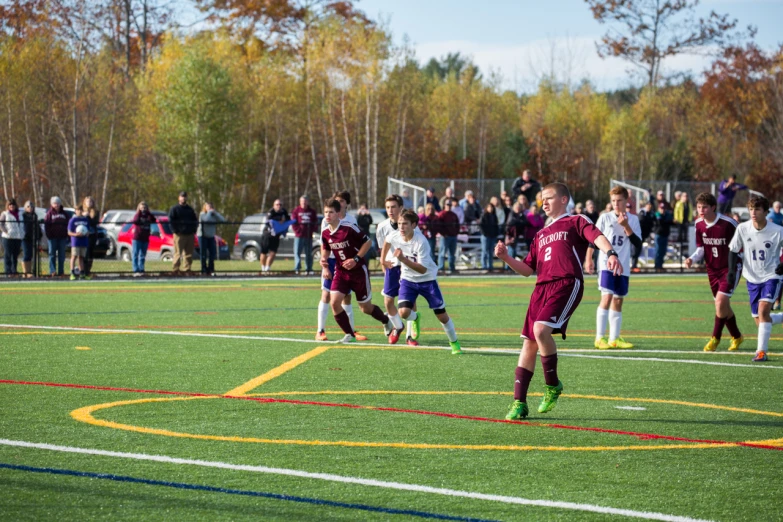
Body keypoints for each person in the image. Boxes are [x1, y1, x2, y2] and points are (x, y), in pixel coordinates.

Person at [495, 182, 621, 420]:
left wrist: (611, 253)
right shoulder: (540, 234)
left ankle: (552, 385)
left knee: (540, 329)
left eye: (549, 198)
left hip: (566, 283)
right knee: (529, 343)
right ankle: (519, 402)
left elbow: (598, 237)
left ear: (563, 200)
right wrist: (505, 257)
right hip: (540, 289)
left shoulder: (575, 220)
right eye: (542, 199)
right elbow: (527, 270)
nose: (544, 203)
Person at [388, 209, 462, 353]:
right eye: (399, 224)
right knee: (403, 312)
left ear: (414, 225)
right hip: (408, 280)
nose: (401, 227)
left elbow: (422, 269)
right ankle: (415, 318)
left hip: (427, 280)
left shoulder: (421, 242)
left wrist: (402, 259)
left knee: (442, 316)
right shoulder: (395, 236)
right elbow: (387, 241)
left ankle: (454, 342)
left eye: (405, 224)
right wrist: (384, 260)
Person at [320, 198, 390, 343]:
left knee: (365, 308)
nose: (327, 215)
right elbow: (326, 248)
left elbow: (368, 242)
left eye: (331, 212)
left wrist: (356, 259)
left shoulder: (349, 227)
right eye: (326, 212)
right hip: (340, 272)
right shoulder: (325, 232)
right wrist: (325, 264)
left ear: (338, 213)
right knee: (334, 302)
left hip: (358, 272)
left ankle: (385, 320)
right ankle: (349, 334)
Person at [684, 193, 744, 352]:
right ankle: (737, 337)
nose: (701, 210)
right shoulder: (698, 223)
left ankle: (715, 338)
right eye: (698, 207)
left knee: (720, 302)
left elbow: (743, 241)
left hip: (730, 268)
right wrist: (692, 259)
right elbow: (701, 249)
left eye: (704, 207)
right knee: (723, 306)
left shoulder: (728, 223)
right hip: (712, 270)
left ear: (713, 207)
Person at [585, 186, 642, 350]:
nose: (616, 204)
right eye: (613, 201)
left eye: (619, 201)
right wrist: (589, 259)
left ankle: (614, 339)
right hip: (606, 264)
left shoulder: (633, 219)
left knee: (618, 299)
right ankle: (599, 338)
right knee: (607, 297)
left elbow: (637, 244)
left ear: (626, 201)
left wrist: (626, 226)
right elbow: (593, 240)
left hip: (623, 265)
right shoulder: (604, 218)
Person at [727, 195, 783, 362]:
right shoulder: (743, 228)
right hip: (751, 278)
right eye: (751, 209)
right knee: (760, 320)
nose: (753, 212)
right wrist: (731, 271)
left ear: (766, 212)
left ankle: (761, 352)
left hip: (772, 275)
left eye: (757, 209)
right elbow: (733, 250)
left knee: (763, 310)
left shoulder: (778, 230)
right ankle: (780, 318)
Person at [316, 191, 367, 342]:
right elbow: (323, 244)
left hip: (347, 262)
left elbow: (358, 241)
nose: (339, 203)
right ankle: (320, 330)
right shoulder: (327, 220)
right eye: (336, 200)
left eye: (342, 201)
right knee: (326, 295)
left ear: (346, 204)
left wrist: (355, 259)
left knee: (347, 296)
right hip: (332, 261)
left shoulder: (351, 220)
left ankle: (351, 331)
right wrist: (324, 265)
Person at [376, 195, 408, 344]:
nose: (390, 210)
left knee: (409, 304)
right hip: (391, 268)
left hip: (407, 267)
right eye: (388, 207)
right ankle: (398, 326)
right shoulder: (382, 227)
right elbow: (382, 249)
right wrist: (384, 267)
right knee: (388, 302)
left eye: (393, 207)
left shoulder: (410, 224)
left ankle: (410, 336)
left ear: (400, 208)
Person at [169, 191, 198, 275]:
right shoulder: (174, 209)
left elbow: (195, 220)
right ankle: (175, 270)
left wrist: (193, 230)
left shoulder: (190, 209)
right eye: (182, 196)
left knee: (189, 254)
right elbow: (170, 220)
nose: (183, 198)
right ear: (179, 198)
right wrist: (175, 231)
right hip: (179, 235)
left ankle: (187, 269)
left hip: (189, 234)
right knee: (178, 253)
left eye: (185, 196)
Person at [260, 199, 290, 273]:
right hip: (268, 234)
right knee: (264, 252)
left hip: (276, 235)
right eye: (277, 204)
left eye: (280, 204)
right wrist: (280, 222)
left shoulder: (284, 212)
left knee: (273, 252)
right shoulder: (271, 212)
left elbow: (288, 220)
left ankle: (267, 268)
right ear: (274, 205)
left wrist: (284, 230)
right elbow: (269, 222)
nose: (279, 206)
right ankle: (262, 267)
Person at [198, 202, 226, 276]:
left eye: (211, 207)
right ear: (205, 207)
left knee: (212, 253)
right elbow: (206, 220)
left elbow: (223, 220)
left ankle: (211, 269)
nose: (209, 208)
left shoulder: (213, 215)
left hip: (211, 236)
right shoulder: (202, 214)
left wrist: (216, 213)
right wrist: (209, 213)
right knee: (203, 253)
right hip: (202, 236)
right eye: (208, 207)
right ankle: (203, 269)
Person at [291, 195, 317, 275]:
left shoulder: (312, 211)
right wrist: (298, 231)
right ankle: (297, 268)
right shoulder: (296, 211)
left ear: (308, 202)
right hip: (299, 236)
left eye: (305, 201)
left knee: (308, 253)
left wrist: (311, 230)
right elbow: (293, 223)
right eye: (302, 201)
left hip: (308, 236)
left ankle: (309, 268)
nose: (304, 203)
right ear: (300, 202)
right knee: (297, 252)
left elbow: (315, 223)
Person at [131, 201, 157, 276]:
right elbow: (135, 221)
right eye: (142, 207)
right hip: (137, 238)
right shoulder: (137, 215)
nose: (143, 209)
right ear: (139, 208)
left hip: (145, 238)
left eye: (145, 207)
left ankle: (141, 269)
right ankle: (135, 270)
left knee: (142, 255)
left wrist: (148, 213)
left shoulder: (148, 215)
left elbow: (154, 220)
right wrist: (139, 212)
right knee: (135, 254)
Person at [44, 196, 69, 276]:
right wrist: (49, 235)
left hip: (62, 238)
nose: (57, 205)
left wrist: (66, 234)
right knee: (52, 255)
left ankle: (61, 272)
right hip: (52, 238)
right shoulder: (49, 214)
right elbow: (46, 225)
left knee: (62, 255)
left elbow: (68, 224)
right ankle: (52, 271)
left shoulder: (64, 214)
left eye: (58, 203)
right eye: (55, 203)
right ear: (52, 204)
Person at [1, 198, 24, 276]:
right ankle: (8, 271)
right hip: (8, 238)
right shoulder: (5, 213)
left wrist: (23, 232)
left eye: (13, 204)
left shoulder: (20, 213)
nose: (12, 206)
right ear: (8, 205)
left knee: (15, 255)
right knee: (8, 254)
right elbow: (1, 224)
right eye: (10, 204)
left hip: (17, 237)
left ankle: (14, 271)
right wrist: (6, 231)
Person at [67, 205, 90, 280]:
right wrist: (76, 234)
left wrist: (87, 233)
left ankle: (82, 273)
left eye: (81, 210)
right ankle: (72, 273)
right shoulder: (73, 220)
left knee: (81, 257)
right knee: (74, 256)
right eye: (78, 210)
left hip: (83, 241)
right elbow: (69, 232)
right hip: (76, 241)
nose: (79, 211)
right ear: (75, 211)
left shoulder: (85, 220)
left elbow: (88, 230)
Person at [436, 200, 459, 274]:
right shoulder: (441, 214)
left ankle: (451, 268)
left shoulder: (453, 215)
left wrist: (455, 233)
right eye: (447, 205)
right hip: (445, 237)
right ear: (444, 205)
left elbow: (457, 225)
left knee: (452, 254)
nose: (448, 206)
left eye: (450, 205)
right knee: (442, 253)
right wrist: (443, 234)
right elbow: (438, 225)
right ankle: (441, 268)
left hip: (453, 236)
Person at [503, 202, 527, 271]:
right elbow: (512, 222)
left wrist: (519, 221)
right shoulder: (512, 214)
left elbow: (525, 222)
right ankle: (508, 268)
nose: (518, 208)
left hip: (516, 235)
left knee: (513, 251)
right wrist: (519, 221)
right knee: (511, 251)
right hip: (510, 235)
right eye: (517, 207)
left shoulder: (521, 215)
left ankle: (511, 267)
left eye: (519, 207)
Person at [21, 201, 41, 278]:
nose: (30, 208)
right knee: (26, 254)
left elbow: (37, 227)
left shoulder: (34, 216)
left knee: (31, 255)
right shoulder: (23, 216)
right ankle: (25, 272)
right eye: (28, 206)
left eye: (32, 207)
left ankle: (29, 272)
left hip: (33, 238)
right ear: (25, 208)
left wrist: (39, 235)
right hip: (25, 238)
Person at [82, 196, 100, 278]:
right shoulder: (82, 211)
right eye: (87, 202)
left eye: (91, 202)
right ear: (85, 203)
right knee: (83, 253)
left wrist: (88, 216)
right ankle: (82, 270)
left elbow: (94, 222)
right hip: (83, 235)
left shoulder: (95, 212)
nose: (89, 203)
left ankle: (88, 271)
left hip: (92, 235)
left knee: (90, 253)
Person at [653, 202, 673, 270]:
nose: (662, 210)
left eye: (664, 208)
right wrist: (667, 221)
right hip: (659, 235)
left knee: (663, 251)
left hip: (665, 235)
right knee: (658, 251)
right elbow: (660, 222)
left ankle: (660, 265)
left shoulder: (667, 214)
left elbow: (671, 222)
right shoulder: (657, 214)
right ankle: (657, 266)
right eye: (661, 208)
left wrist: (667, 221)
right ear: (659, 208)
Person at [634, 201, 655, 268]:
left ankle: (634, 265)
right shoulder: (642, 212)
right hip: (638, 234)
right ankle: (634, 265)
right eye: (648, 205)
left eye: (650, 206)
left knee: (638, 250)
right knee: (635, 250)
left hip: (644, 235)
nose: (649, 207)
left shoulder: (650, 213)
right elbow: (641, 222)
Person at [479, 202, 499, 271]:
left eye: (492, 207)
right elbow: (481, 226)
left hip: (492, 236)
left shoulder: (494, 216)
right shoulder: (484, 215)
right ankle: (484, 266)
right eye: (489, 207)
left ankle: (490, 266)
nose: (491, 209)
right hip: (485, 236)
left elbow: (496, 226)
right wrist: (485, 233)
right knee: (484, 251)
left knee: (490, 252)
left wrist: (496, 233)